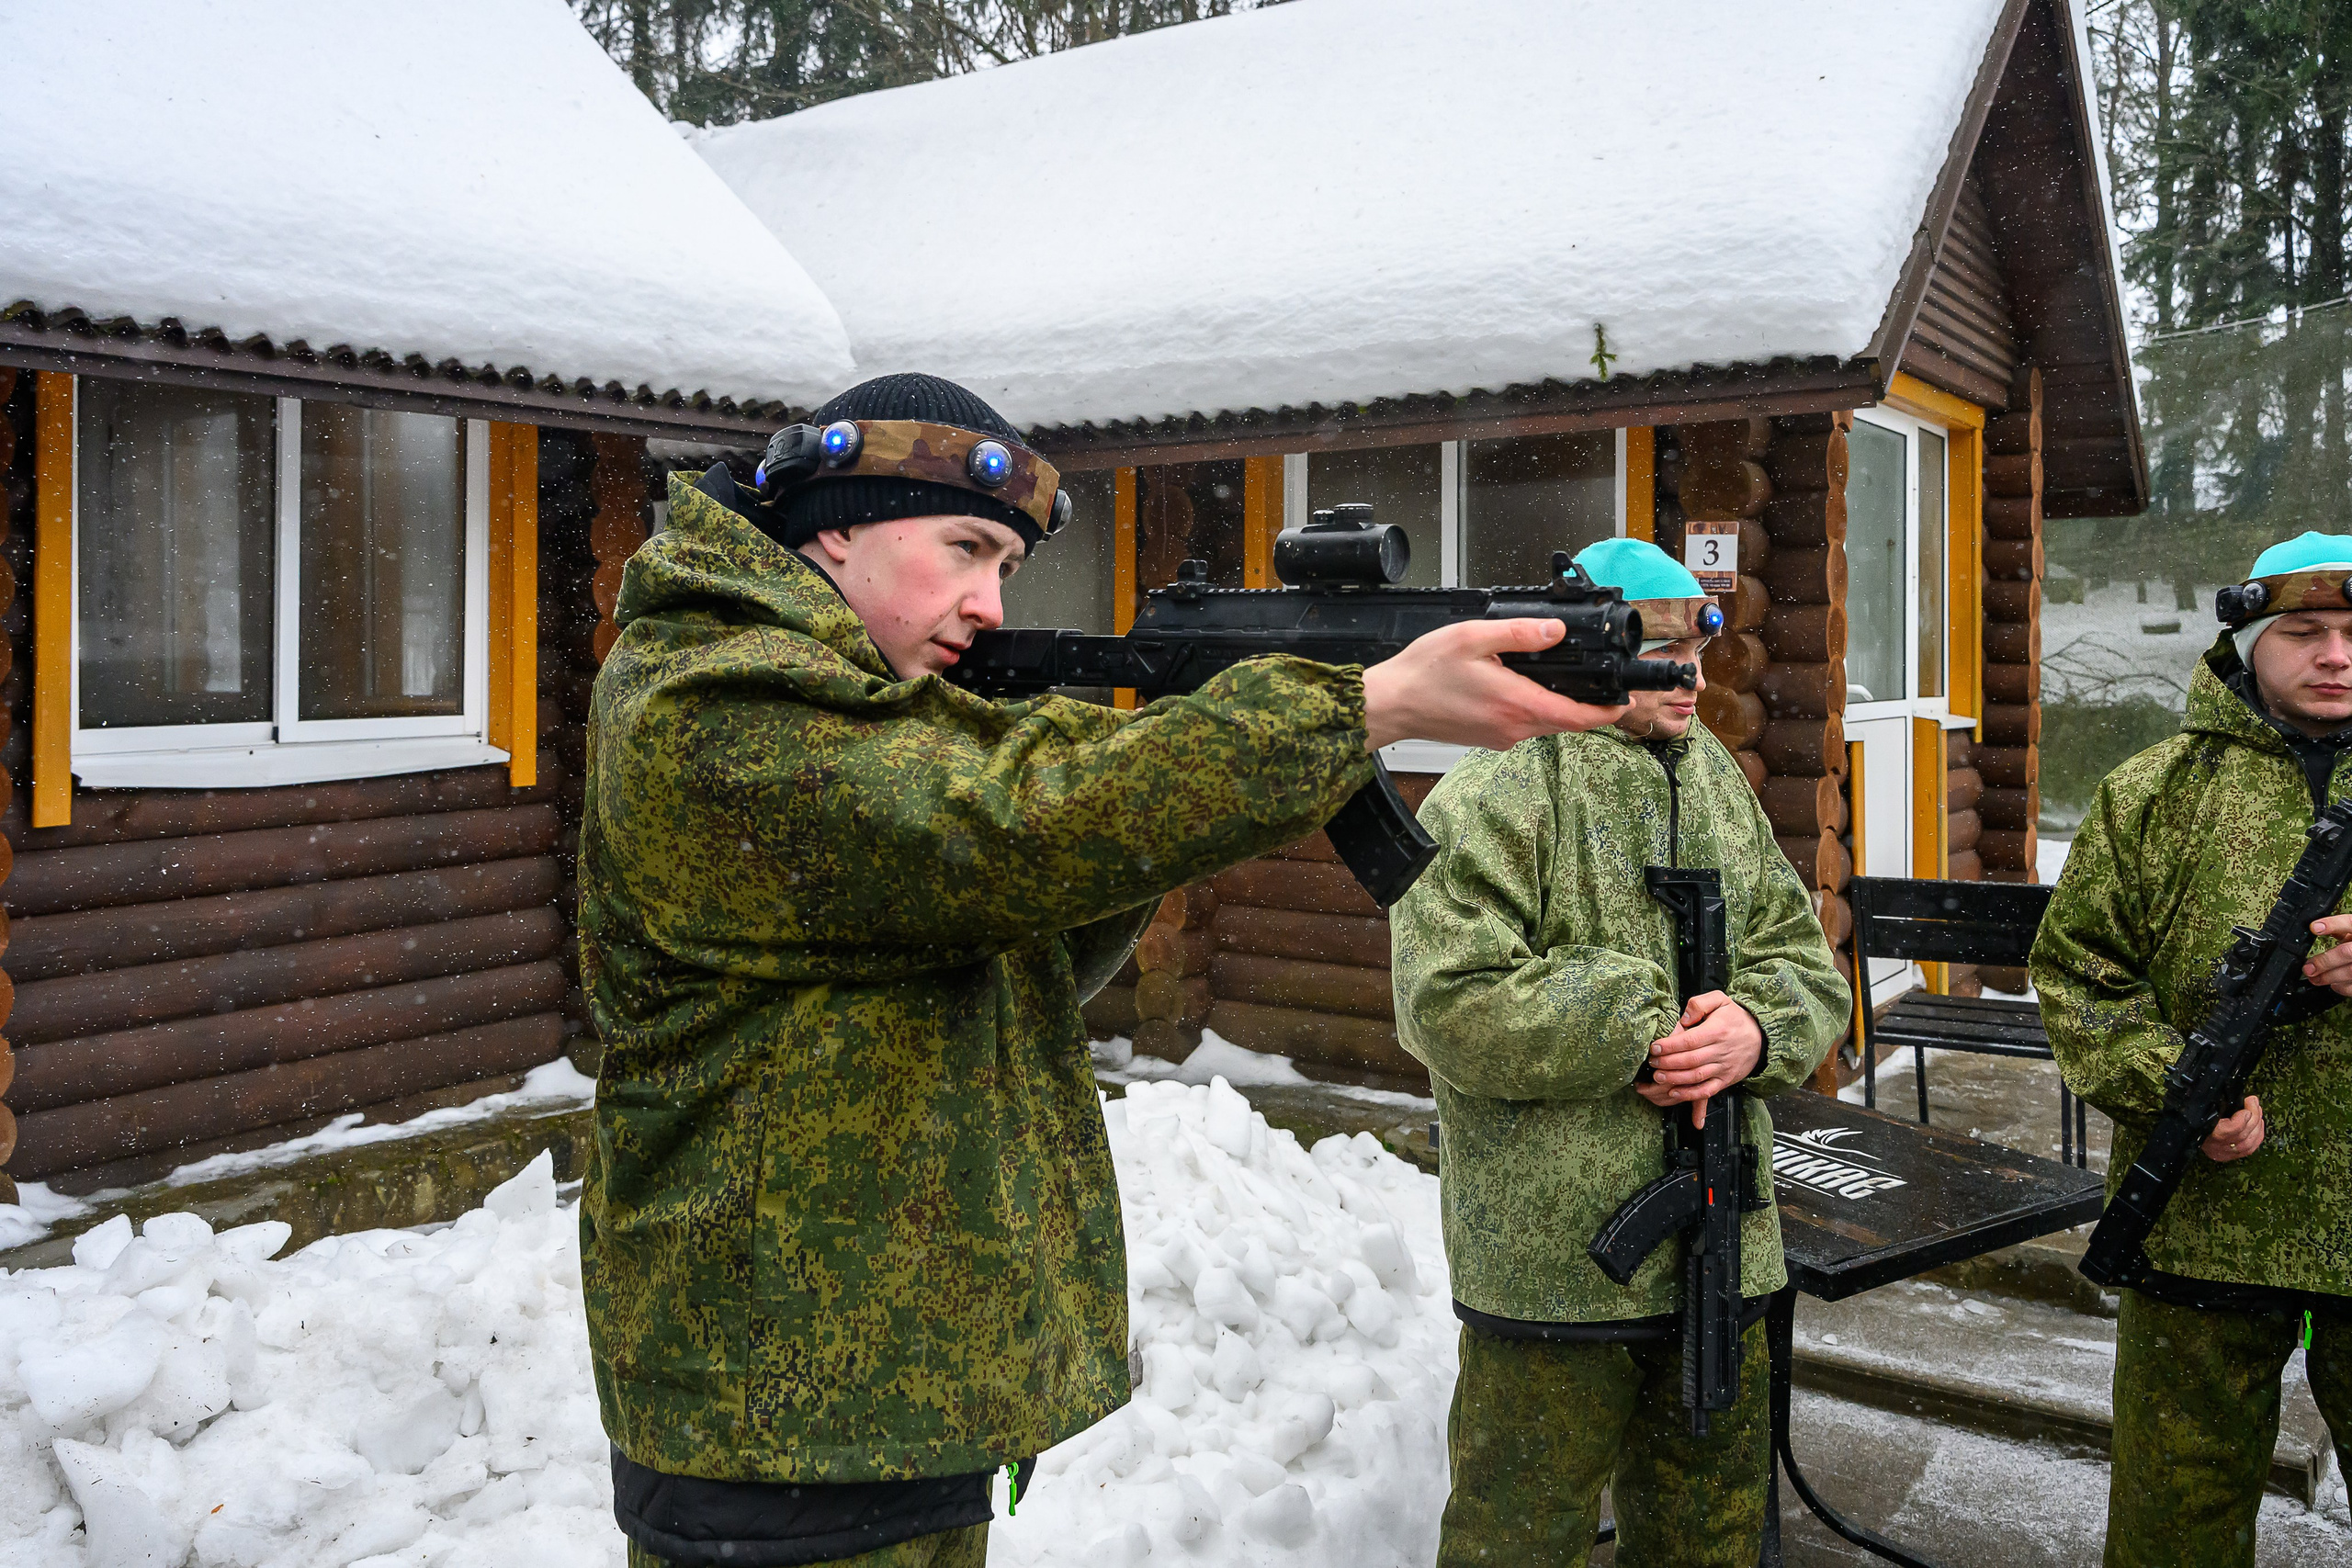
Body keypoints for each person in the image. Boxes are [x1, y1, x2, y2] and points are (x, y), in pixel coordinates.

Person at [575, 371, 1630, 1568]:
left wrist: (1187, 741)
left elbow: (1031, 929)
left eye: (1008, 571)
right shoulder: (705, 699)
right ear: (835, 524)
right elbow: (1004, 822)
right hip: (768, 1417)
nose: (986, 600)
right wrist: (1357, 705)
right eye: (965, 548)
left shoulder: (878, 714)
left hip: (884, 1400)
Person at [1387, 537, 1849, 1568]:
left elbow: (1807, 963)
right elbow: (1446, 1000)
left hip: (1725, 1253)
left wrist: (1755, 1028)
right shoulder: (1500, 788)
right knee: (1520, 1533)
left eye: (1702, 647)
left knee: (1711, 1534)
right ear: (1582, 650)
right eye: (1662, 646)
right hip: (1552, 1273)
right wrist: (1638, 1024)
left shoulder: (1715, 777)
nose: (1691, 675)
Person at [2033, 531, 2352, 1568]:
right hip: (2198, 1221)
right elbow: (2079, 972)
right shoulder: (2154, 794)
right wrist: (2171, 1087)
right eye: (2304, 632)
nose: (2336, 655)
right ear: (2249, 643)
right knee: (2178, 1519)